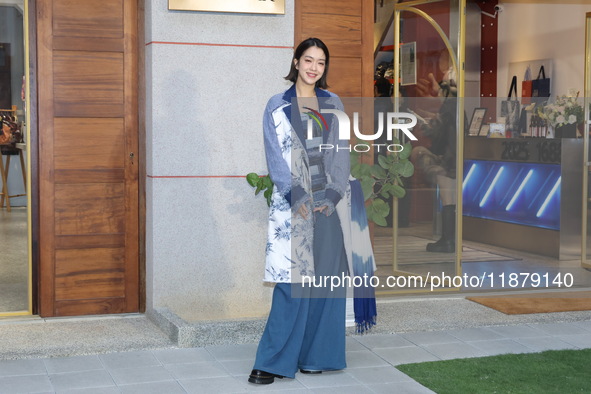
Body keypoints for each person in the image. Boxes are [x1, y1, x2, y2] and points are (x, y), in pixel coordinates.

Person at [248, 37, 350, 385]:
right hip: (294, 202)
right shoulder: (276, 105)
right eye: (308, 60)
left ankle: (316, 356)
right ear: (296, 62)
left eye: (321, 63)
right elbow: (275, 156)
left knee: (324, 284)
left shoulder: (333, 103)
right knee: (291, 285)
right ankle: (272, 361)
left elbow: (340, 153)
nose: (313, 67)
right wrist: (298, 198)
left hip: (327, 204)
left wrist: (333, 196)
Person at [411, 49, 459, 253]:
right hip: (452, 156)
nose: (444, 74)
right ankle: (449, 240)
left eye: (449, 70)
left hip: (448, 158)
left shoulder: (451, 103)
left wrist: (423, 123)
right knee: (450, 199)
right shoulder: (453, 104)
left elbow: (439, 130)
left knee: (448, 199)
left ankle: (449, 240)